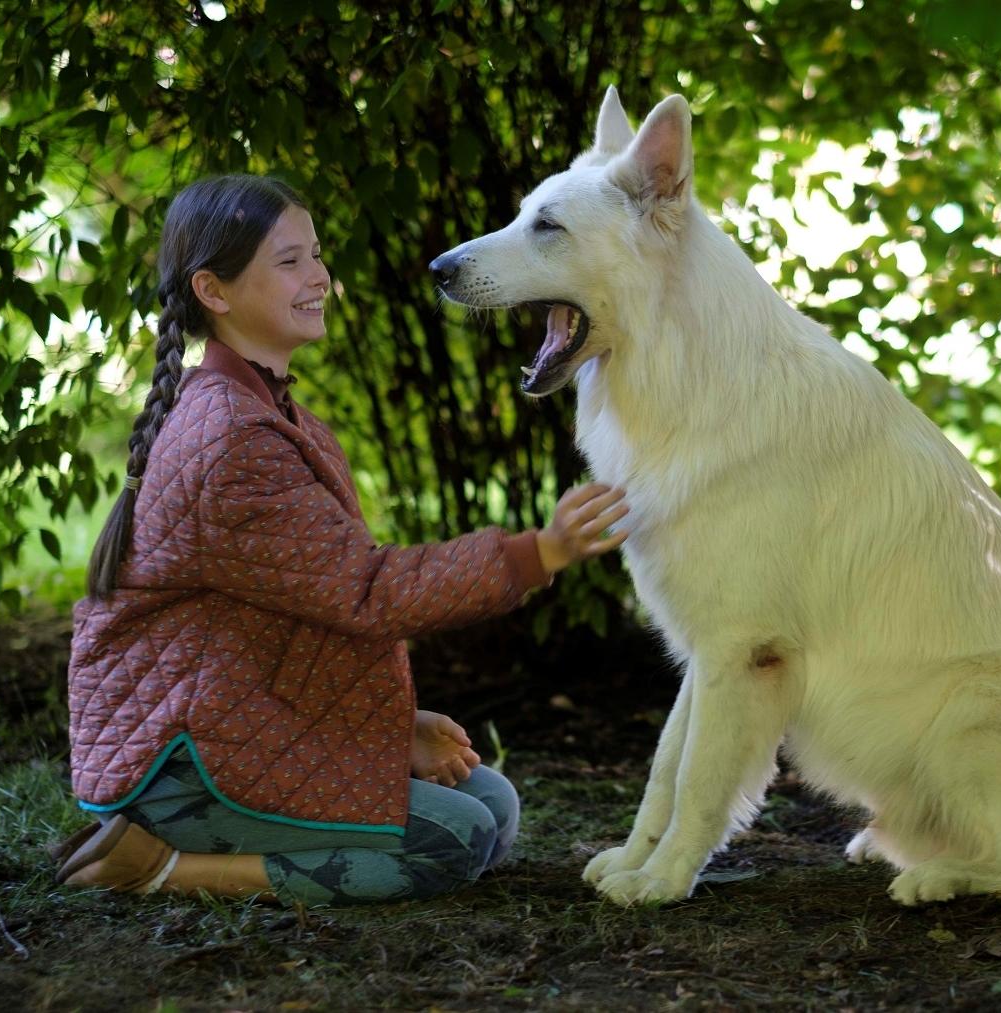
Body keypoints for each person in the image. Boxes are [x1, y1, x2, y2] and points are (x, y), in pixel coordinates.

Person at [50, 173, 627, 906]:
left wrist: (390, 725)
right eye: (289, 261)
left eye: (316, 255)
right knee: (453, 838)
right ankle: (160, 866)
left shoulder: (269, 410)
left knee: (494, 806)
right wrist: (537, 552)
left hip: (235, 719)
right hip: (178, 765)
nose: (318, 276)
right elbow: (367, 590)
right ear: (214, 291)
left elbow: (304, 605)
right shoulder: (230, 439)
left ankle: (192, 847)